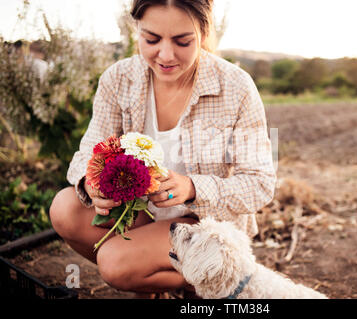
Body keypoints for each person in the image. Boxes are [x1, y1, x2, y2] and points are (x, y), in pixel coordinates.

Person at [49, 0, 276, 298]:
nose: (166, 55)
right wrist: (91, 182)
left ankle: (201, 280)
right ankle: (152, 278)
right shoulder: (118, 79)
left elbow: (260, 183)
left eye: (183, 41)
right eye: (151, 39)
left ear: (204, 32)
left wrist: (193, 188)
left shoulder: (236, 87)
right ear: (136, 31)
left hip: (203, 225)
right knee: (65, 208)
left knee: (114, 263)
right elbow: (89, 152)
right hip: (140, 214)